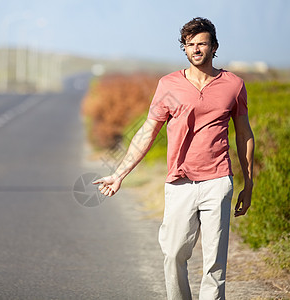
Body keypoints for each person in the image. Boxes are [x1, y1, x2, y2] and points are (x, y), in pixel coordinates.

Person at [93, 17, 254, 300]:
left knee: (215, 262)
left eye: (201, 43)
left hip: (218, 180)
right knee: (174, 253)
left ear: (214, 47)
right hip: (180, 182)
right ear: (184, 49)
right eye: (189, 44)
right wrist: (119, 174)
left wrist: (249, 184)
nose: (195, 49)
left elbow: (244, 135)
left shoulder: (233, 85)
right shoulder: (169, 85)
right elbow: (147, 132)